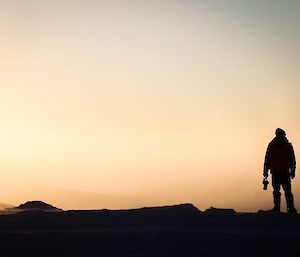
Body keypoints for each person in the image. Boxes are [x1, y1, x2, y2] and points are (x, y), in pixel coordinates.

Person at [263, 128, 297, 213]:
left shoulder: (276, 145)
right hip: (278, 172)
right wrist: (265, 171)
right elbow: (267, 159)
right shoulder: (279, 145)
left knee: (284, 191)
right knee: (281, 191)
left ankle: (288, 208)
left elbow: (292, 160)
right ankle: (282, 208)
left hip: (282, 172)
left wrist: (293, 171)